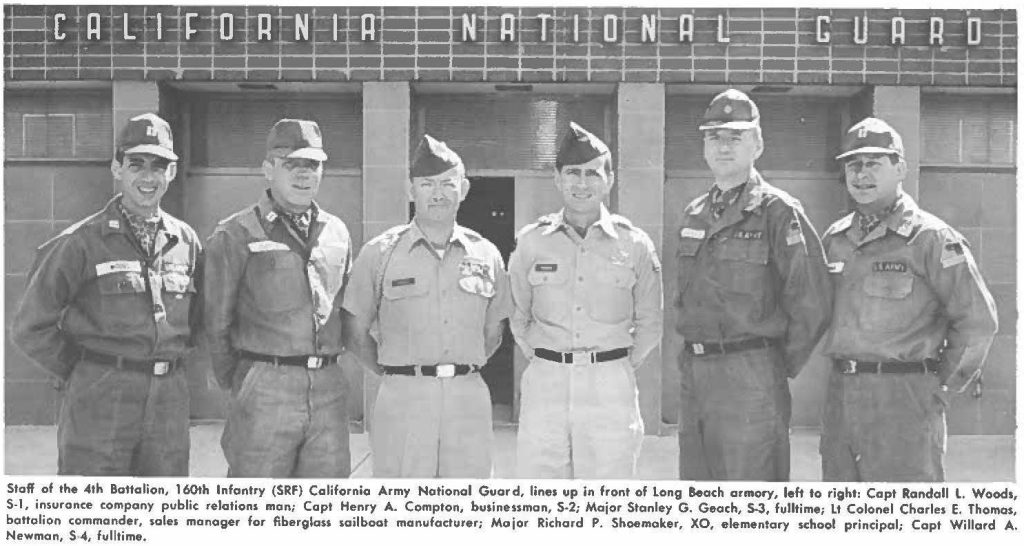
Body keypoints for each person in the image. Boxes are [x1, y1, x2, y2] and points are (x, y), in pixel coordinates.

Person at [11, 113, 201, 476]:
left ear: (172, 173)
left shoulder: (185, 241)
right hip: (100, 397)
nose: (148, 177)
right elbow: (30, 327)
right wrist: (84, 369)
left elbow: (201, 320)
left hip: (168, 401)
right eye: (136, 164)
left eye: (159, 166)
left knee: (165, 513)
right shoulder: (79, 242)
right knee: (95, 513)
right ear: (117, 168)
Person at [819, 117, 998, 482]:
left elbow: (978, 322)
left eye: (874, 163)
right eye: (853, 164)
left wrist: (941, 387)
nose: (861, 174)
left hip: (905, 397)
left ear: (900, 167)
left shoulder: (931, 238)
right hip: (843, 396)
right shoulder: (836, 239)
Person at [675, 89, 832, 481]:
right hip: (697, 374)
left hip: (752, 374)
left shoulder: (778, 211)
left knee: (751, 502)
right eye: (714, 137)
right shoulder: (695, 213)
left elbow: (812, 301)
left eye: (735, 137)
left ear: (757, 144)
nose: (723, 147)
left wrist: (772, 363)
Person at [342, 134, 510, 478]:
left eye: (448, 184)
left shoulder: (486, 253)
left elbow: (494, 333)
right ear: (410, 190)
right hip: (404, 396)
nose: (437, 193)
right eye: (426, 184)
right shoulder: (380, 253)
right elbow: (355, 331)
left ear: (463, 190)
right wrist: (401, 371)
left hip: (467, 397)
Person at [509, 121, 663, 479]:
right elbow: (518, 315)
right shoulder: (532, 242)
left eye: (592, 174)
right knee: (541, 491)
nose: (582, 183)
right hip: (547, 381)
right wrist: (547, 358)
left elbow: (651, 323)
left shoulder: (635, 244)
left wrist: (612, 364)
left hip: (609, 384)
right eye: (573, 173)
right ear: (558, 179)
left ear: (609, 180)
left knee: (607, 493)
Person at [204, 118, 353, 478]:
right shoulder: (236, 233)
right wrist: (246, 382)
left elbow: (345, 309)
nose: (304, 175)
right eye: (291, 164)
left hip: (328, 389)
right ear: (268, 169)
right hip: (266, 384)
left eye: (313, 165)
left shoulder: (336, 231)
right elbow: (215, 324)